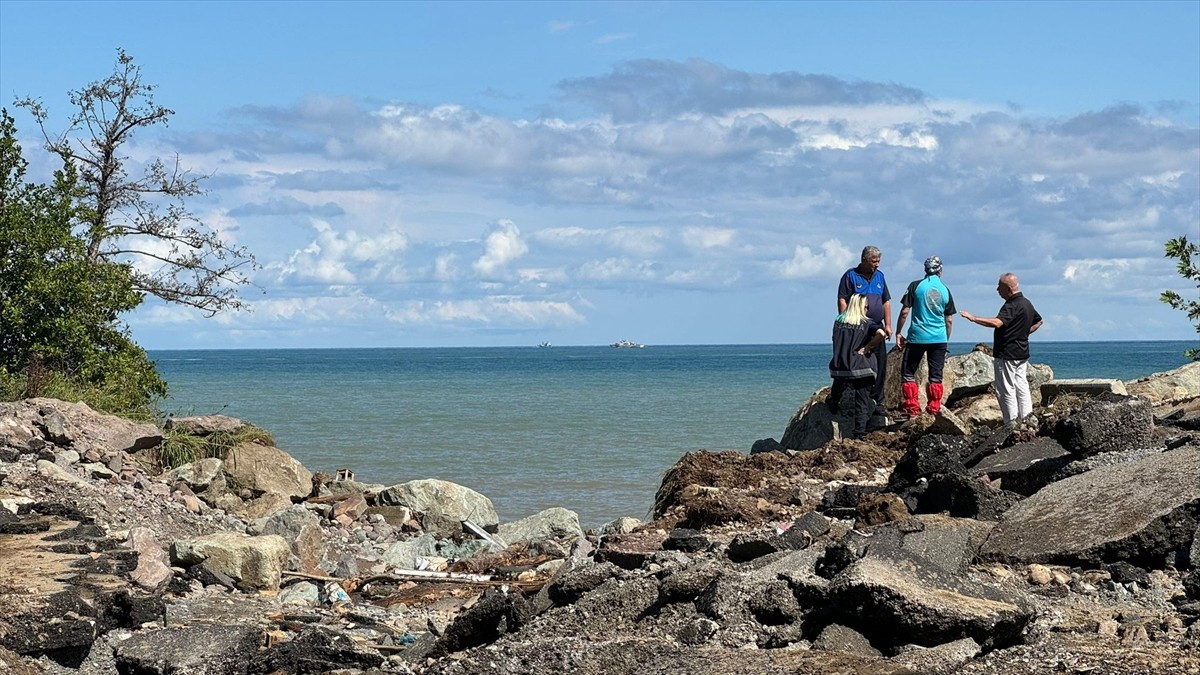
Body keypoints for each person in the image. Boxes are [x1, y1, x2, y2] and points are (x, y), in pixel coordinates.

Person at [960, 273, 1044, 424]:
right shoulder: (1027, 303)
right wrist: (1023, 333)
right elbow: (1039, 321)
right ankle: (1027, 419)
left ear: (1007, 288)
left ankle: (1010, 423)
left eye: (999, 287)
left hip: (1008, 353)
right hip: (1022, 352)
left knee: (1006, 389)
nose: (997, 290)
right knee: (1021, 386)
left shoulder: (1012, 305)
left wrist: (973, 318)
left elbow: (997, 323)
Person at [894, 256, 956, 417]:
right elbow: (949, 319)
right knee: (936, 376)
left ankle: (912, 407)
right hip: (939, 338)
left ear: (925, 270)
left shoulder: (915, 286)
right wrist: (946, 339)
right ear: (940, 271)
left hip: (917, 336)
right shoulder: (945, 290)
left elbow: (905, 311)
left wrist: (898, 332)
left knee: (908, 372)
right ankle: (934, 408)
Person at [837, 246, 892, 415]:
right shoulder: (850, 276)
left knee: (880, 365)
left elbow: (886, 301)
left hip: (876, 326)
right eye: (873, 261)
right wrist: (847, 322)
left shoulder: (880, 276)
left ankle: (878, 403)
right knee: (851, 363)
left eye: (878, 261)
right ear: (864, 260)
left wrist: (888, 325)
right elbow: (842, 300)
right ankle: (838, 397)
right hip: (857, 328)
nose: (877, 265)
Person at [828, 294, 888, 438]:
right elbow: (881, 333)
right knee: (861, 400)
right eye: (867, 307)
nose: (868, 310)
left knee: (841, 380)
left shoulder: (838, 321)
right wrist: (868, 347)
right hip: (860, 368)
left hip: (839, 367)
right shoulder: (866, 323)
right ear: (862, 307)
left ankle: (834, 400)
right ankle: (859, 433)